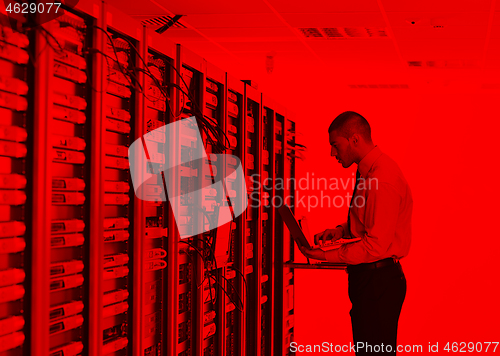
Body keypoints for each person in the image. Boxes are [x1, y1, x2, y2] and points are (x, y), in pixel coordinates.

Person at [298, 111, 413, 355]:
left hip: (378, 281)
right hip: (371, 280)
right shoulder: (368, 172)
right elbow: (368, 221)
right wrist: (340, 231)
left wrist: (325, 255)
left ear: (355, 140)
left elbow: (375, 246)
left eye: (335, 145)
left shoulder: (382, 179)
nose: (332, 153)